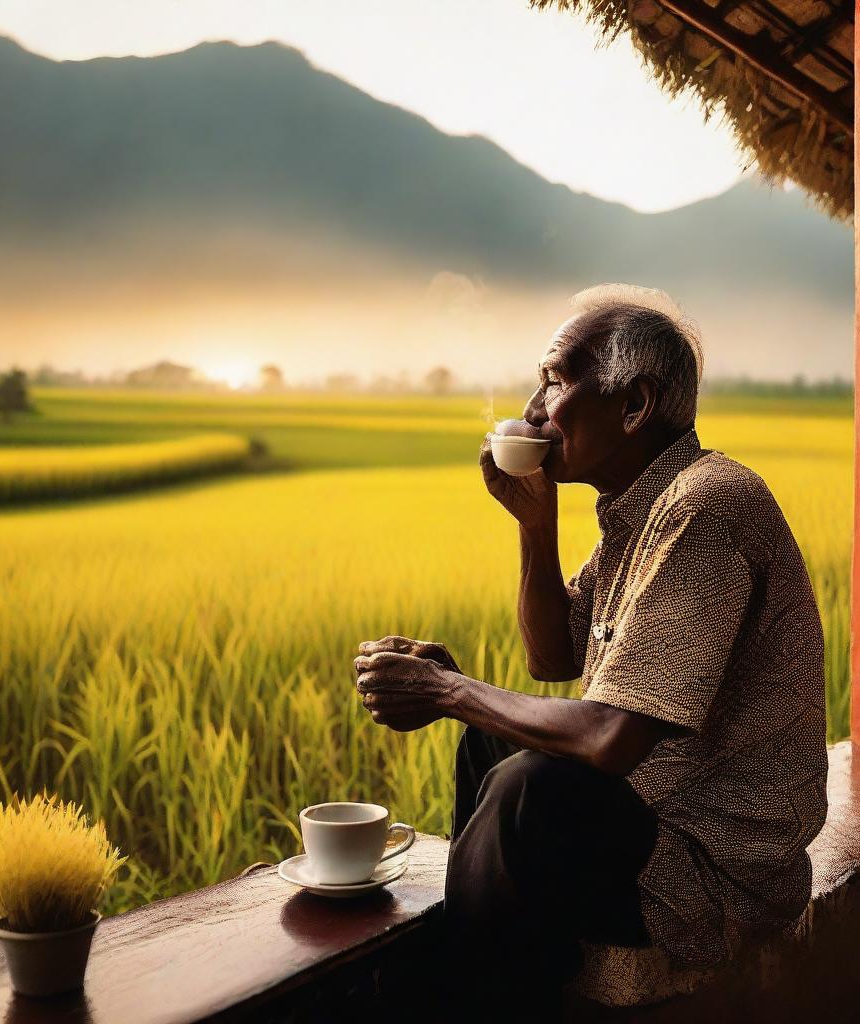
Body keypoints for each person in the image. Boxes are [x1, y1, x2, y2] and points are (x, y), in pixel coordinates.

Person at [354, 284, 829, 1020]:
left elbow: (609, 739)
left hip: (711, 866)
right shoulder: (640, 512)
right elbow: (552, 657)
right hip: (652, 814)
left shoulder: (704, 508)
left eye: (554, 380)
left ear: (634, 405)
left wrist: (446, 691)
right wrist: (534, 523)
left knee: (528, 793)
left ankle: (466, 991)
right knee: (492, 742)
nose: (534, 409)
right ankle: (503, 970)